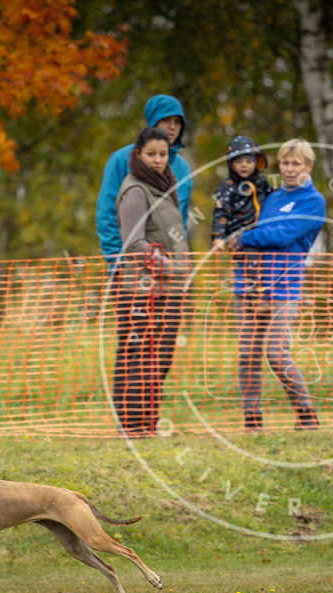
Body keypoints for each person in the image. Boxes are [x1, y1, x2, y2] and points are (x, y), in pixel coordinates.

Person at [223, 138, 325, 433]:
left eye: (296, 163)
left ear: (309, 166)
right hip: (249, 284)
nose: (290, 169)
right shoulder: (270, 197)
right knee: (247, 353)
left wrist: (244, 238)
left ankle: (306, 414)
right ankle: (252, 420)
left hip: (284, 287)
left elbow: (280, 234)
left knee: (276, 353)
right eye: (285, 163)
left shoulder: (313, 200)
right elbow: (252, 223)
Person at [110, 127, 189, 437]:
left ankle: (147, 423)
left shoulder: (164, 188)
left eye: (163, 154)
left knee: (160, 357)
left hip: (166, 290)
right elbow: (134, 243)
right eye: (151, 154)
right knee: (139, 357)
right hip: (140, 291)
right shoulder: (136, 191)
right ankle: (132, 427)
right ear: (138, 155)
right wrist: (172, 267)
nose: (158, 160)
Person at [96, 94, 192, 264]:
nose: (172, 126)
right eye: (166, 120)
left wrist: (179, 262)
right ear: (154, 121)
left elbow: (180, 221)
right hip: (132, 268)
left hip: (171, 269)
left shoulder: (182, 168)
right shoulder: (120, 160)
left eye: (177, 121)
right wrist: (117, 261)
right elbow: (107, 214)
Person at [212, 135, 274, 299]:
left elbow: (274, 196)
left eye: (248, 161)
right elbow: (220, 212)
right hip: (239, 235)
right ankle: (255, 296)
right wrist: (218, 236)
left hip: (260, 233)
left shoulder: (262, 182)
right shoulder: (227, 187)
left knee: (266, 260)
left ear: (257, 162)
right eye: (239, 162)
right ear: (231, 164)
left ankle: (267, 293)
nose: (244, 165)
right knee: (251, 257)